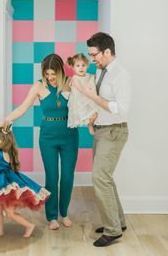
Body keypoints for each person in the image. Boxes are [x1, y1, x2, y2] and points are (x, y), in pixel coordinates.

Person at [0, 54, 79, 230]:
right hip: (47, 137)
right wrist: (4, 121)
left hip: (70, 135)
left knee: (68, 177)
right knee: (52, 177)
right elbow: (23, 108)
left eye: (53, 73)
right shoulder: (39, 86)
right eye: (47, 73)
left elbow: (85, 102)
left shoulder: (70, 83)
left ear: (60, 70)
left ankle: (65, 213)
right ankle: (52, 216)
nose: (50, 77)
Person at [72, 32, 131, 247]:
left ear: (107, 51)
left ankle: (113, 230)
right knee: (106, 178)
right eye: (90, 55)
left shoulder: (120, 75)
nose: (92, 59)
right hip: (100, 131)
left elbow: (121, 109)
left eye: (94, 55)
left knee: (99, 178)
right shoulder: (100, 72)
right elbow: (98, 104)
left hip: (114, 131)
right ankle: (118, 222)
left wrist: (93, 97)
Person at [0, 125, 50, 239]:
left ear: (0, 141)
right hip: (0, 183)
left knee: (10, 213)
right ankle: (0, 231)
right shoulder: (4, 151)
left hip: (1, 184)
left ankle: (29, 225)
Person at [66, 53, 98, 134]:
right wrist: (88, 87)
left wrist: (93, 79)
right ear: (73, 67)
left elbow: (93, 78)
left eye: (83, 65)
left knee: (95, 114)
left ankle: (92, 124)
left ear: (87, 66)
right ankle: (90, 125)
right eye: (78, 66)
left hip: (87, 98)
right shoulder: (75, 79)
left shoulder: (88, 75)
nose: (81, 68)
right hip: (80, 100)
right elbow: (81, 90)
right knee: (91, 115)